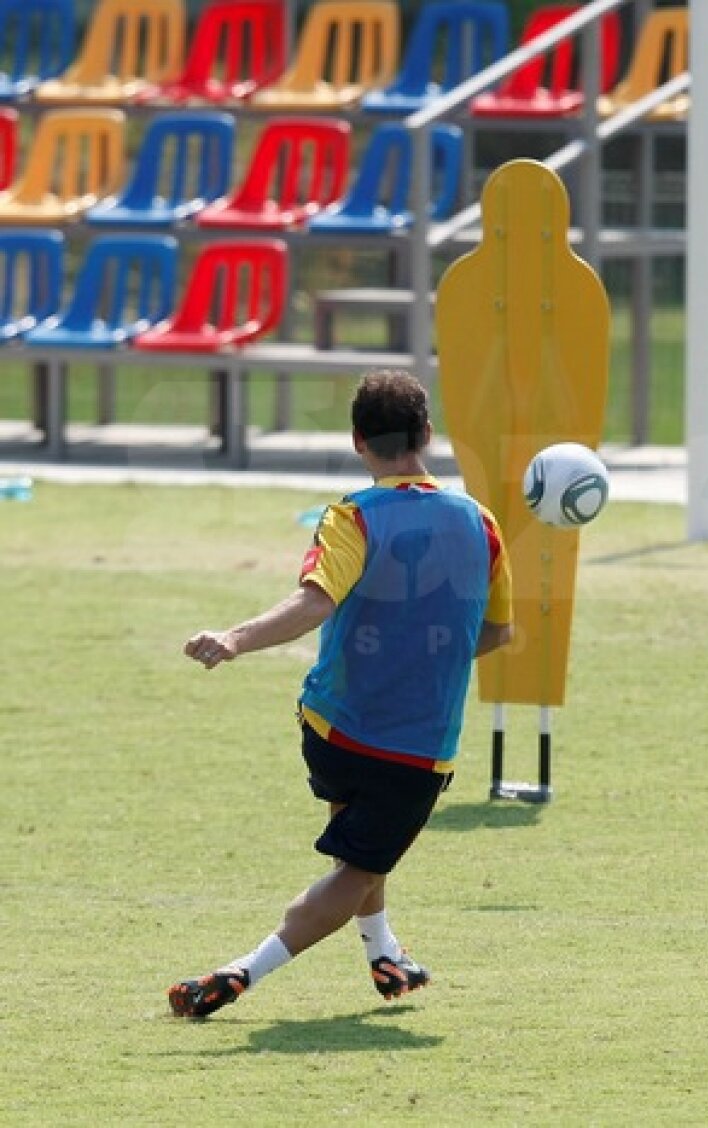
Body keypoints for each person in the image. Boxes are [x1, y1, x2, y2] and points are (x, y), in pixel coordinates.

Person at [168, 370, 513, 1018]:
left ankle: (384, 951)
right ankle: (244, 970)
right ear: (427, 434)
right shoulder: (481, 525)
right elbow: (498, 631)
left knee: (359, 827)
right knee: (356, 868)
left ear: (359, 441)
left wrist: (235, 640)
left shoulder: (354, 515)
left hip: (330, 731)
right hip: (415, 750)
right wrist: (426, 652)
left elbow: (315, 601)